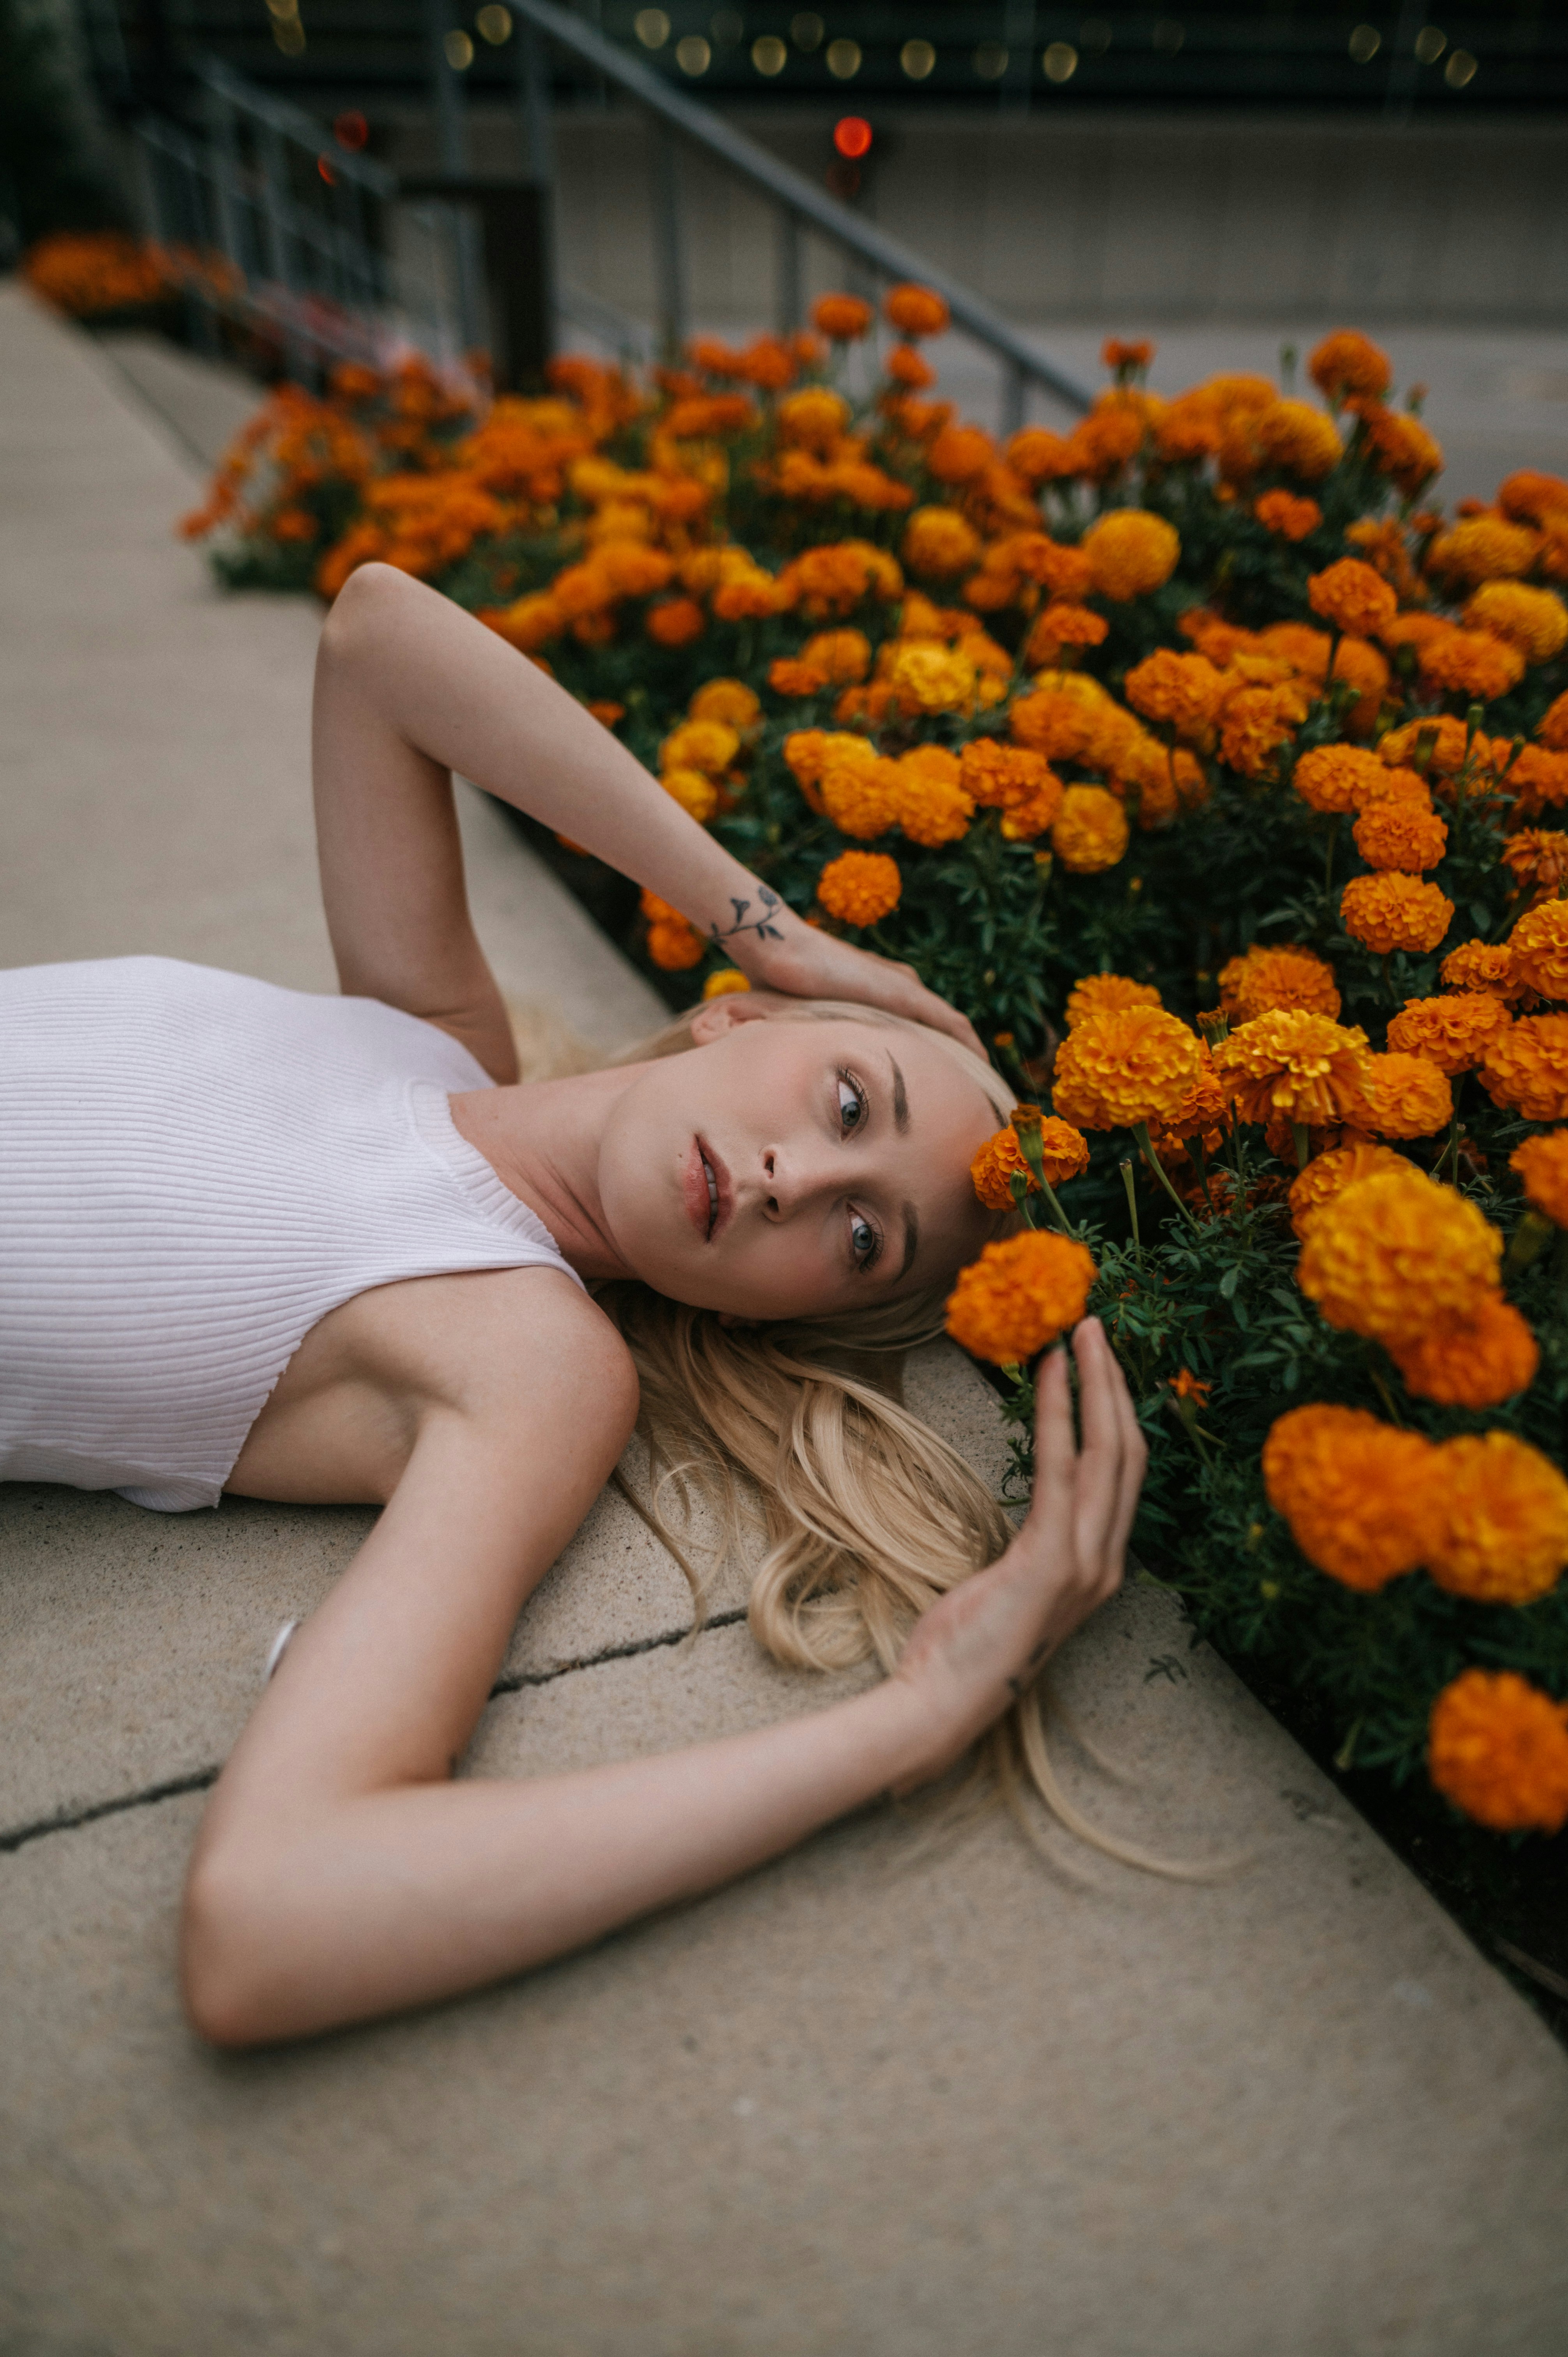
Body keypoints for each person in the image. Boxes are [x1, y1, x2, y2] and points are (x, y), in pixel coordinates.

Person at [0, 563, 1146, 2049]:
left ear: (783, 1321)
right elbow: (376, 634)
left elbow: (270, 1917)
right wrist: (763, 922)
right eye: (846, 1096)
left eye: (867, 1237)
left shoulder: (531, 1367)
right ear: (746, 1014)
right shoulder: (424, 1036)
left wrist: (916, 1719)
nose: (801, 1178)